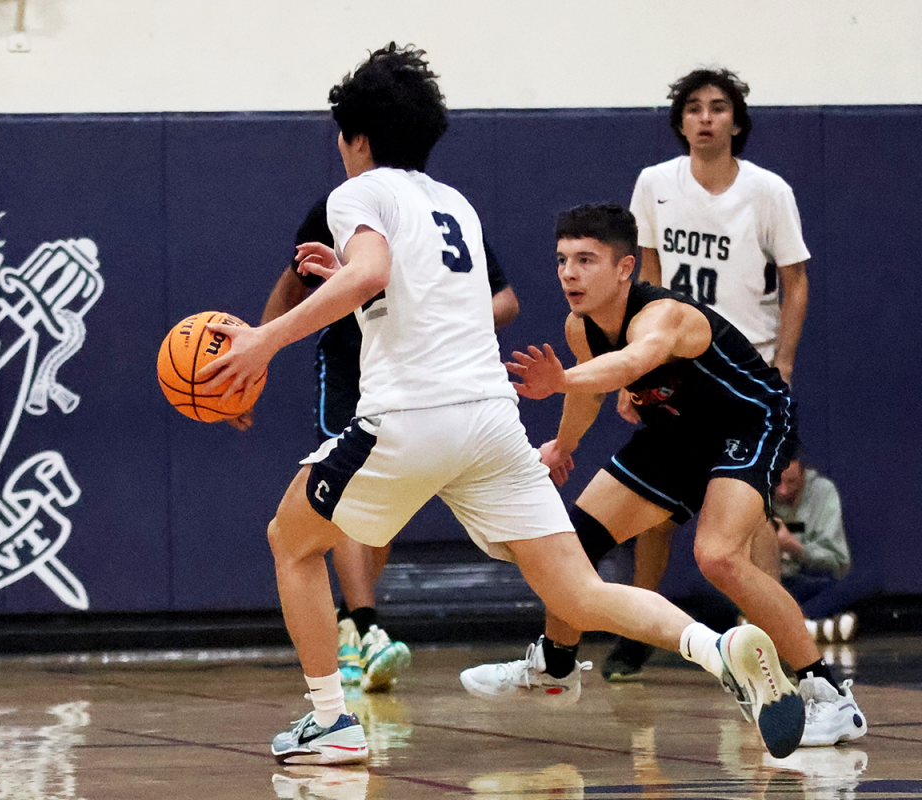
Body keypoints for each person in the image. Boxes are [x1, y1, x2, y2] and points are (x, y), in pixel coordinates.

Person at [200, 44, 804, 766]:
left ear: (356, 140)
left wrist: (266, 340)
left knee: (290, 540)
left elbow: (370, 273)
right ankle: (718, 647)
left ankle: (329, 720)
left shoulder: (353, 194)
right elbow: (409, 289)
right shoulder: (452, 201)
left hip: (409, 421)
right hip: (491, 425)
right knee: (577, 592)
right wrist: (355, 281)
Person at [461, 204, 862, 750]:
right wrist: (562, 445)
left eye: (585, 260)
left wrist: (561, 381)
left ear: (626, 268)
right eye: (561, 261)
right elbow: (592, 393)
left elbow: (631, 365)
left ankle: (830, 696)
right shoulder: (580, 327)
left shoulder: (664, 317)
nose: (569, 274)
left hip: (749, 424)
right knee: (570, 546)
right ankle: (554, 668)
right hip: (675, 435)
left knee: (718, 556)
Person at [240, 196, 519, 691]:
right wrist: (257, 354)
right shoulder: (335, 207)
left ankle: (350, 624)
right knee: (341, 497)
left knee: (377, 517)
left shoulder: (438, 211)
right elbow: (292, 282)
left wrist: (433, 314)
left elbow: (505, 301)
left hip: (416, 373)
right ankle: (368, 627)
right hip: (351, 366)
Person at [604, 68, 812, 682]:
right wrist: (630, 370)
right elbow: (641, 276)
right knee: (655, 506)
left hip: (745, 370)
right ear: (681, 121)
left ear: (736, 121)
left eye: (717, 108)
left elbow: (796, 281)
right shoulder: (654, 184)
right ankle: (643, 632)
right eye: (693, 108)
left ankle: (771, 640)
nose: (705, 118)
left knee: (751, 513)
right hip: (674, 362)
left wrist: (786, 361)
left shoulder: (769, 191)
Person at [772, 457, 859, 643]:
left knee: (855, 585)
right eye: (777, 481)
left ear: (803, 475)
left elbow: (838, 562)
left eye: (791, 482)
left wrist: (794, 547)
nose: (783, 490)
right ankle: (811, 628)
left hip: (800, 584)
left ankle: (772, 626)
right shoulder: (753, 491)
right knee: (704, 583)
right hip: (760, 584)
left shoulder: (822, 491)